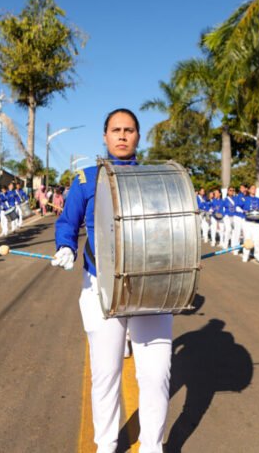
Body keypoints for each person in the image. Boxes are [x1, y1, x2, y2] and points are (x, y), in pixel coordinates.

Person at [53, 108, 172, 453]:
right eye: (116, 130)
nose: (122, 135)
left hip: (150, 286)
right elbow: (68, 222)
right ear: (105, 136)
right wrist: (65, 246)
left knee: (156, 375)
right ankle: (106, 445)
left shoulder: (155, 179)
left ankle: (152, 447)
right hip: (100, 286)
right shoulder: (86, 179)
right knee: (106, 375)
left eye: (129, 130)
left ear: (138, 137)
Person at [241, 185, 259, 263]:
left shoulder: (258, 200)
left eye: (255, 189)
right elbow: (238, 207)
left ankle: (257, 254)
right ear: (249, 190)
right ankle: (245, 255)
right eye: (252, 188)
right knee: (248, 239)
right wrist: (242, 210)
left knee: (257, 239)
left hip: (257, 222)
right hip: (248, 222)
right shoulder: (245, 199)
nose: (254, 190)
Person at [232, 184, 248, 255]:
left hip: (245, 217)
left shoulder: (248, 197)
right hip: (238, 217)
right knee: (237, 233)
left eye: (243, 188)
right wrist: (242, 210)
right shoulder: (237, 197)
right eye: (241, 188)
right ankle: (236, 249)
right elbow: (236, 207)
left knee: (245, 234)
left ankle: (245, 249)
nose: (242, 189)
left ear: (246, 189)